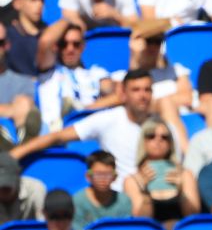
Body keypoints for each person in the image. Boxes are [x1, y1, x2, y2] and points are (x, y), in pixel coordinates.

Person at [12, 71, 155, 179]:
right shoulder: (108, 119)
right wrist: (14, 155)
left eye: (147, 90)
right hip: (118, 195)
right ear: (123, 93)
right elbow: (57, 136)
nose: (142, 95)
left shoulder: (160, 124)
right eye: (136, 90)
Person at [35, 23, 112, 134]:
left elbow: (119, 95)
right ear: (56, 46)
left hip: (90, 130)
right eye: (63, 44)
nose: (70, 49)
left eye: (76, 44)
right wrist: (68, 19)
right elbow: (45, 42)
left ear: (83, 46)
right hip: (55, 133)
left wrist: (83, 109)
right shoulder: (48, 72)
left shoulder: (96, 73)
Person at [124, 116, 199, 226]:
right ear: (143, 141)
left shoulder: (185, 175)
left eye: (164, 137)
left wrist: (181, 192)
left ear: (171, 142)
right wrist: (145, 193)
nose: (158, 140)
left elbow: (193, 216)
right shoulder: (132, 180)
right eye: (151, 136)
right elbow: (140, 222)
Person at [71, 150, 132, 229]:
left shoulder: (124, 201)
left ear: (114, 177)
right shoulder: (77, 201)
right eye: (98, 174)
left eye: (107, 174)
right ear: (88, 176)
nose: (103, 179)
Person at [29, 190, 100, 230]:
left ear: (73, 212)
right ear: (45, 214)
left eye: (66, 216)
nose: (61, 223)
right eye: (55, 217)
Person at [0, 153, 45, 222]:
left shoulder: (36, 189)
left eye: (7, 187)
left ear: (18, 178)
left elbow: (44, 224)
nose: (4, 191)